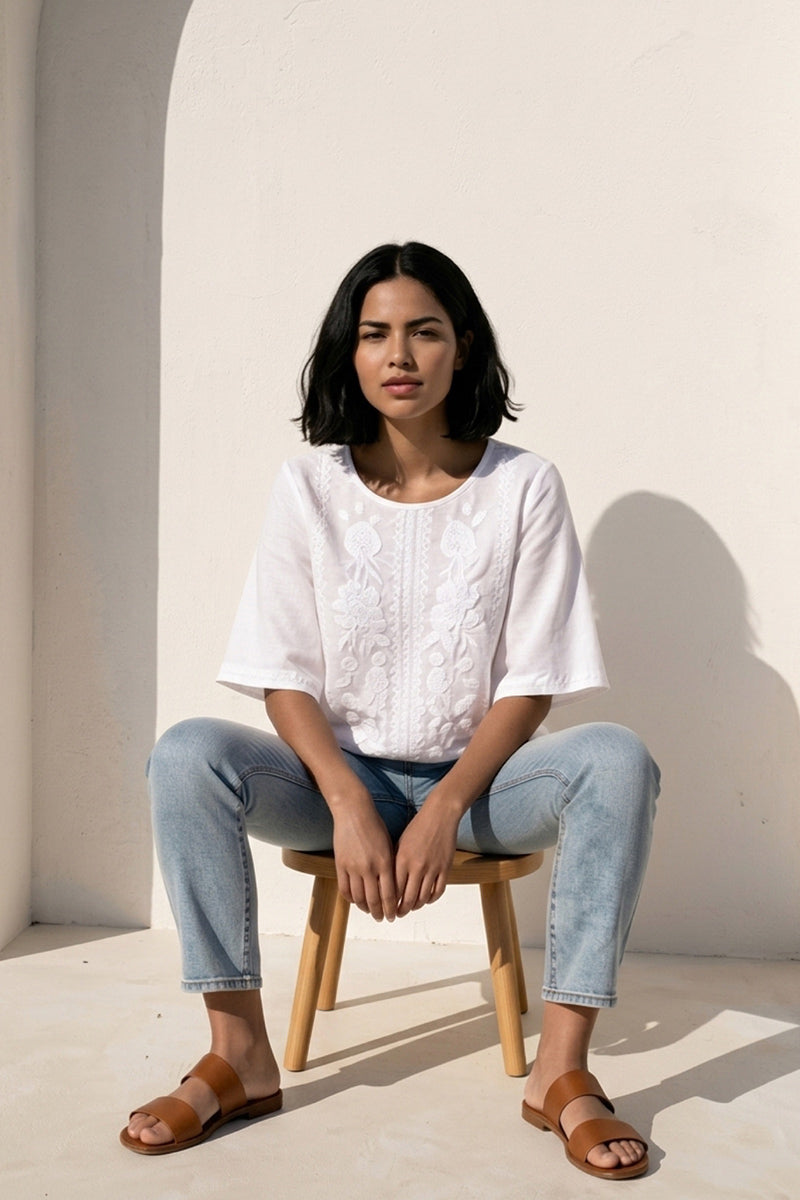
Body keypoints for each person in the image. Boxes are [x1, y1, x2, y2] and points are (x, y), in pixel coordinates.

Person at [121, 242, 660, 1179]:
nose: (399, 355)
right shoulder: (310, 485)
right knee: (185, 754)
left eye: (424, 332)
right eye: (375, 334)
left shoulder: (523, 485)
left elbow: (530, 680)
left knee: (617, 758)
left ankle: (563, 1072)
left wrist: (449, 800)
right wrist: (345, 799)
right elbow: (281, 670)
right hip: (342, 774)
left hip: (486, 786)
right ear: (350, 352)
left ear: (462, 348)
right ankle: (238, 1051)